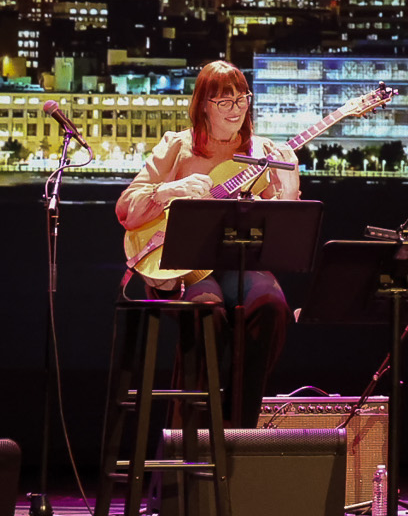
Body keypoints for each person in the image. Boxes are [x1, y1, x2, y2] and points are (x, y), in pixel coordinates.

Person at [116, 59, 300, 426]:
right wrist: (168, 190)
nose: (236, 109)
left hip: (236, 261)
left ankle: (238, 429)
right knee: (208, 313)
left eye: (241, 99)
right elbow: (126, 209)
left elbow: (284, 230)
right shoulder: (178, 146)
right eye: (224, 101)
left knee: (271, 306)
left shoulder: (262, 152)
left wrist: (290, 185)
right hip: (179, 264)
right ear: (203, 105)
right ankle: (192, 440)